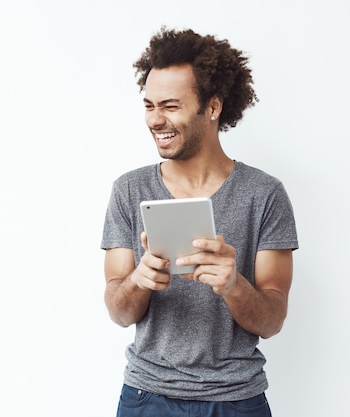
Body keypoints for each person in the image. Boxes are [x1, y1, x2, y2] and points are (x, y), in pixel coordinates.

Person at [101, 27, 298, 417]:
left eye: (170, 106)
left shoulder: (264, 194)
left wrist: (232, 284)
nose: (155, 120)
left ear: (212, 107)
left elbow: (272, 319)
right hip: (147, 397)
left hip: (236, 400)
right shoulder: (129, 190)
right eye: (149, 105)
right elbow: (118, 312)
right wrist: (138, 281)